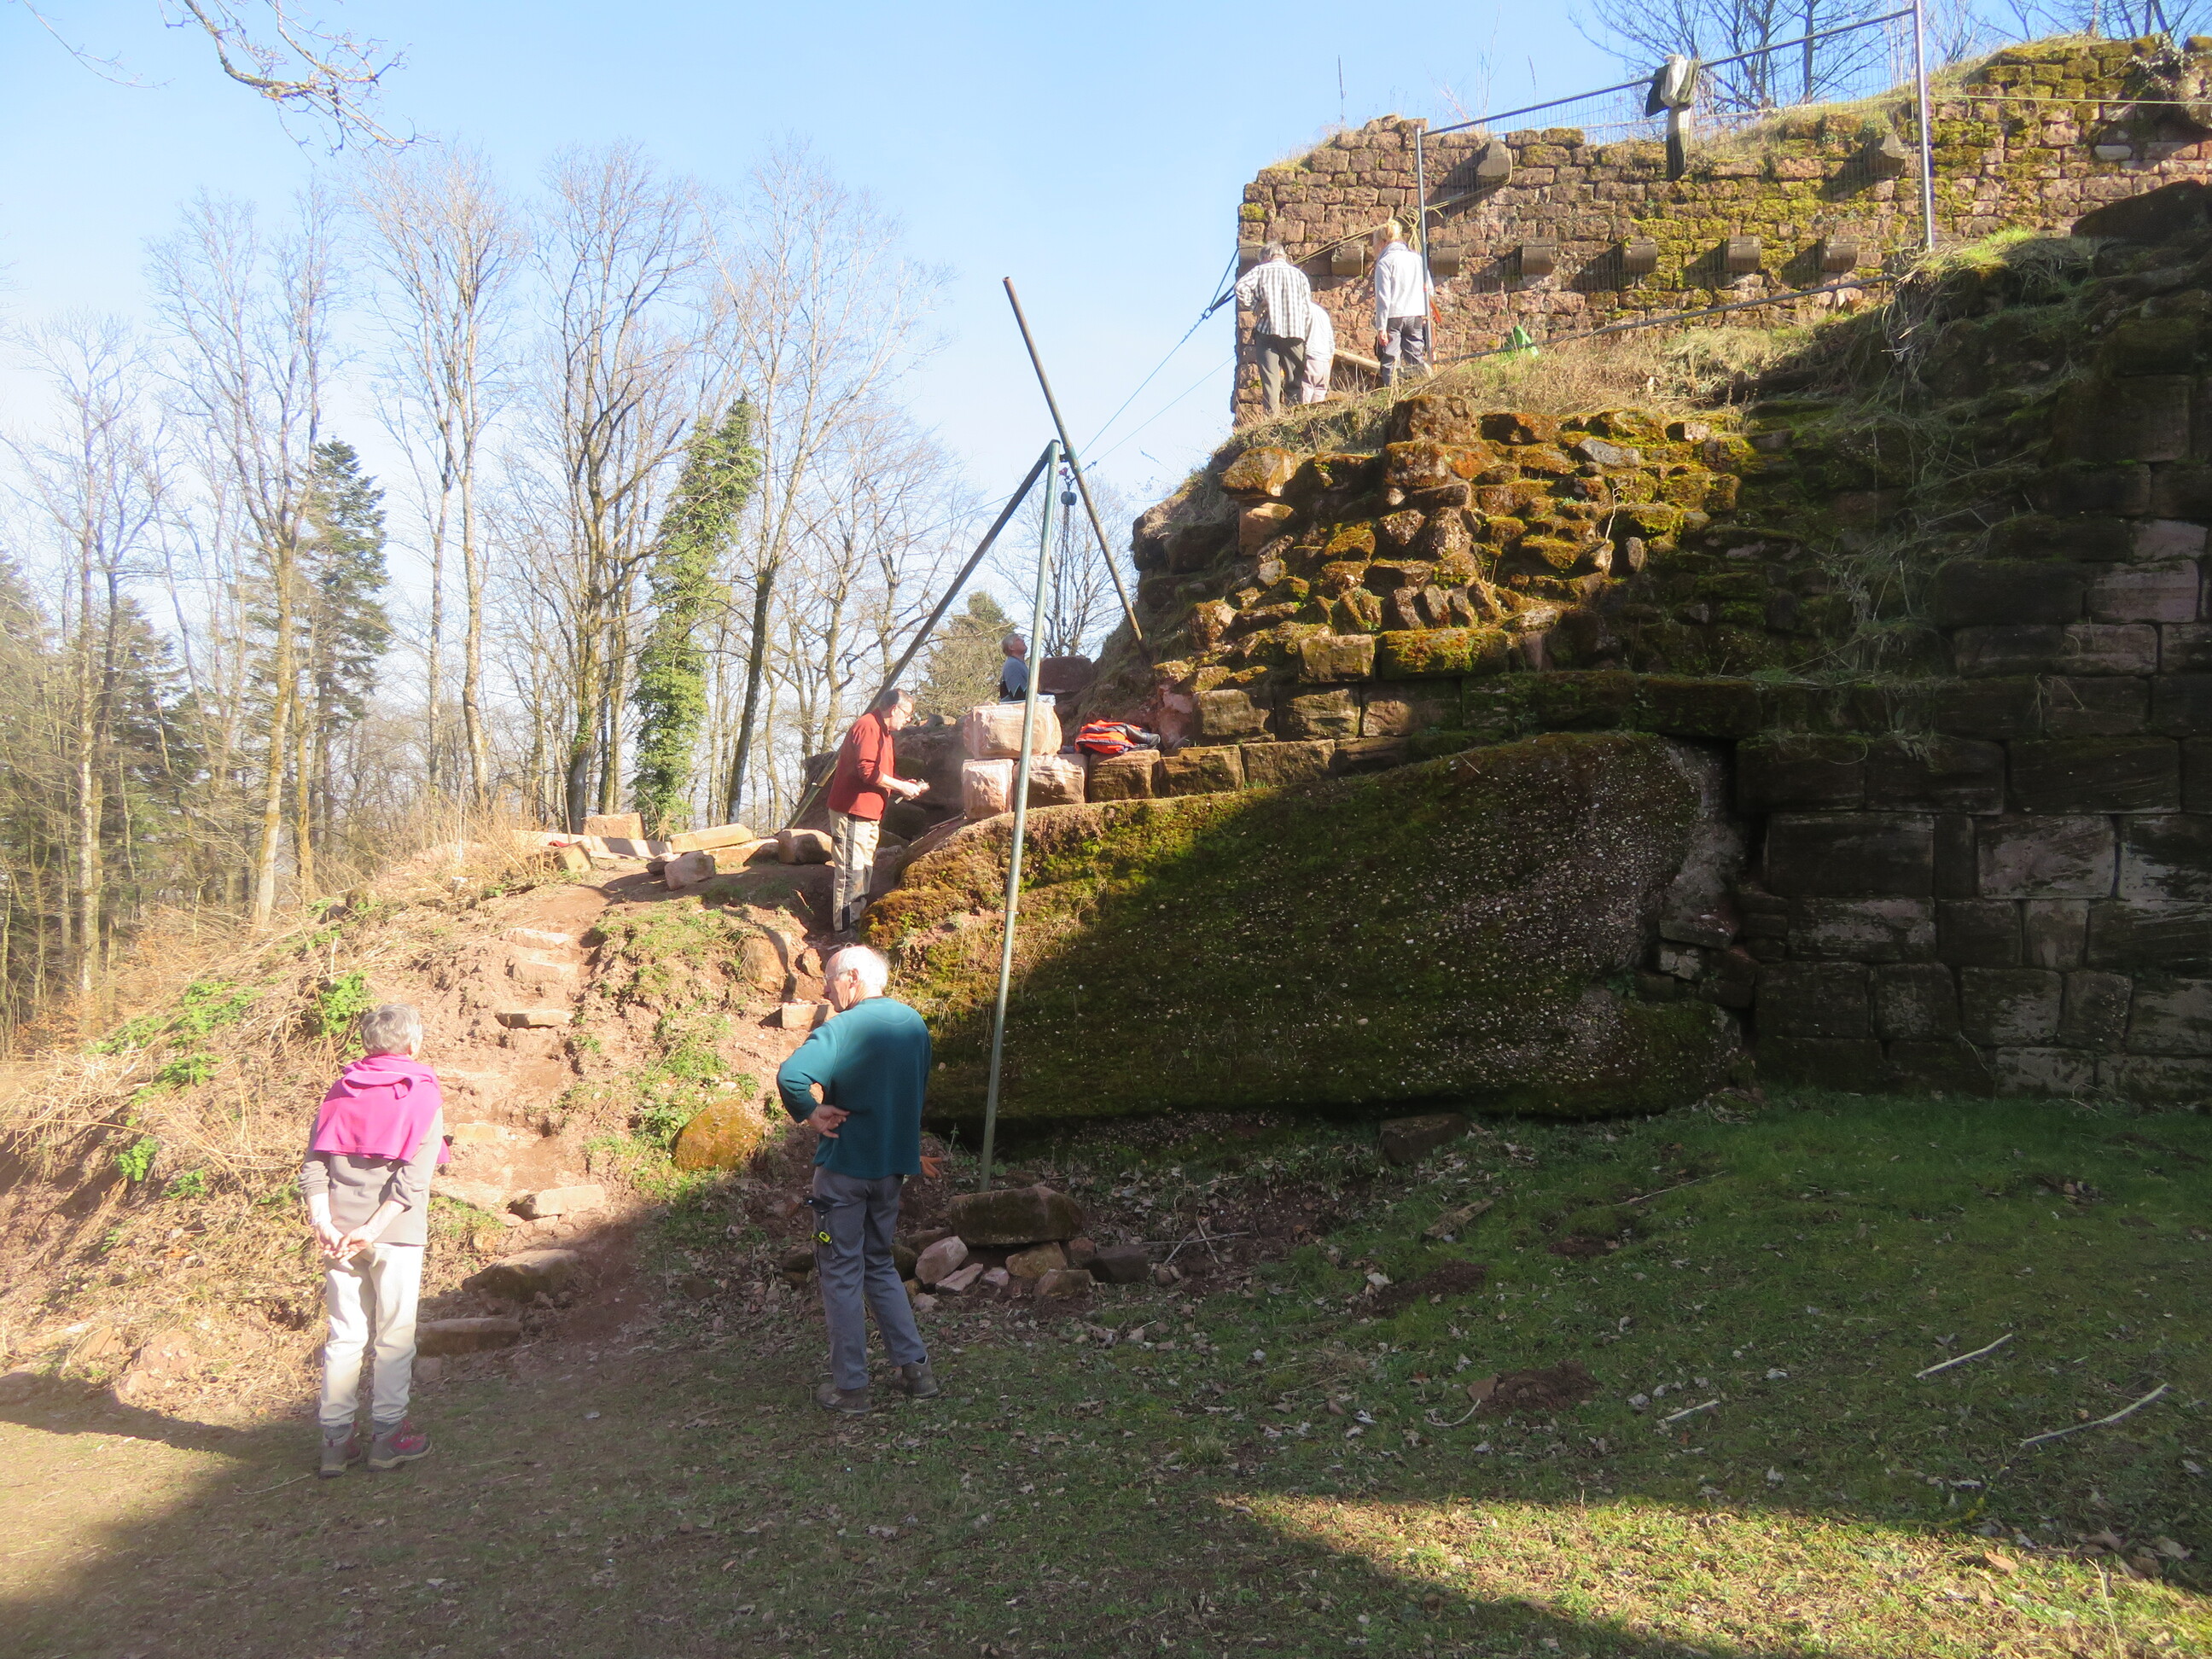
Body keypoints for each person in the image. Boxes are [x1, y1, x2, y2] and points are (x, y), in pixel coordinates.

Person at [776, 945, 937, 1415]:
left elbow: (791, 1076)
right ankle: (917, 1372)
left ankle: (851, 1389)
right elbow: (912, 1095)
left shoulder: (844, 1027)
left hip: (844, 1172)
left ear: (851, 978)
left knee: (841, 1271)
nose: (826, 992)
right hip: (891, 1170)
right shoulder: (914, 1024)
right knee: (879, 1263)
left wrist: (811, 1112)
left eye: (829, 981)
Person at [301, 1002, 447, 1477]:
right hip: (395, 1234)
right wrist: (374, 1227)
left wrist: (323, 1221)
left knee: (344, 1336)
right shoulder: (423, 1094)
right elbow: (413, 1181)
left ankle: (335, 1443)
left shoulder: (338, 1091)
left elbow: (313, 1167)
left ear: (366, 1044)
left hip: (339, 1234)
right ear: (414, 1043)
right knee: (394, 1337)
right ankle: (388, 1438)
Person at [825, 687, 927, 938]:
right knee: (852, 870)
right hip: (853, 811)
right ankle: (844, 932)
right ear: (894, 709)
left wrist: (903, 783)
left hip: (868, 813)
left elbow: (880, 773)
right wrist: (901, 787)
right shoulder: (869, 726)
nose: (909, 719)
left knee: (864, 868)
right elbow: (868, 772)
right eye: (907, 714)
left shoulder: (884, 733)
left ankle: (856, 921)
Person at [1233, 241, 1313, 417]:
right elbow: (1307, 309)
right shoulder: (1299, 276)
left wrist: (1255, 305)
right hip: (1295, 333)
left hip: (1267, 332)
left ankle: (1272, 419)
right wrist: (1306, 334)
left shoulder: (1261, 270)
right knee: (1294, 381)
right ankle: (1294, 418)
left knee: (1270, 382)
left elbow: (1240, 288)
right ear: (1283, 255)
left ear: (1266, 257)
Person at [1371, 221, 1435, 386]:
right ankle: (1421, 389)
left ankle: (1392, 393)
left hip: (1393, 316)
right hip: (1415, 314)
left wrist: (1381, 327)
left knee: (1390, 360)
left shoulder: (1385, 262)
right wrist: (1426, 312)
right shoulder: (1417, 259)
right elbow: (1429, 289)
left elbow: (1383, 298)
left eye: (1375, 244)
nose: (1375, 247)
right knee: (1416, 358)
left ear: (1383, 242)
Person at [1300, 297, 1336, 405]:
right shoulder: (1322, 312)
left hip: (1311, 358)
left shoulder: (1303, 309)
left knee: (1304, 405)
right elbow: (1331, 344)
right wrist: (1329, 367)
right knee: (1317, 407)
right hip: (1325, 363)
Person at [998, 634, 1029, 701]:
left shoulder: (1019, 664)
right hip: (1016, 708)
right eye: (1018, 639)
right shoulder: (1013, 664)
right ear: (1011, 647)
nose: (1023, 640)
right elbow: (1018, 696)